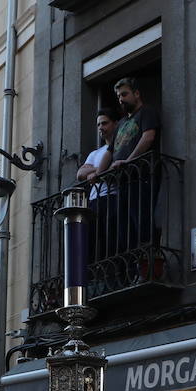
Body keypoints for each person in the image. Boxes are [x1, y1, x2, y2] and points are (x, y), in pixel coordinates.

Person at [108, 79, 162, 272]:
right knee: (124, 227)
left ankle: (148, 263)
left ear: (136, 93)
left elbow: (149, 137)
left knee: (141, 219)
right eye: (119, 96)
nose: (121, 99)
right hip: (123, 181)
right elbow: (109, 151)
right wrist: (97, 174)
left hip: (142, 175)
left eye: (124, 94)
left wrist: (128, 161)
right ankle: (130, 268)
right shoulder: (121, 123)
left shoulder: (146, 112)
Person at [76, 108, 117, 277]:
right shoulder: (95, 153)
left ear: (115, 124)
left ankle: (114, 273)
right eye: (99, 124)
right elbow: (80, 174)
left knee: (111, 238)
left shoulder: (119, 147)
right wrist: (99, 170)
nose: (101, 127)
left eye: (105, 123)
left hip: (113, 196)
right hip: (94, 200)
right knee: (92, 239)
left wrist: (94, 172)